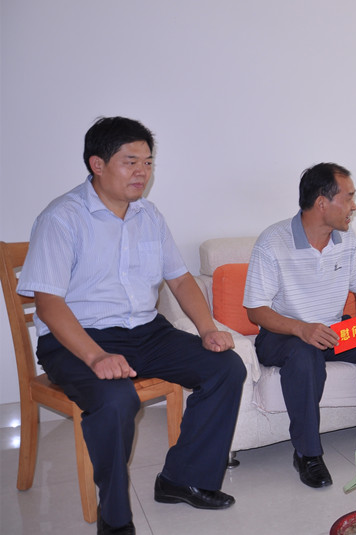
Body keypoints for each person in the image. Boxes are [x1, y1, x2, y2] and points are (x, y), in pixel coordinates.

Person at [17, 117, 246, 535]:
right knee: (115, 398)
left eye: (148, 162)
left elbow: (180, 279)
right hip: (77, 339)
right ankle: (115, 517)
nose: (142, 172)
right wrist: (96, 356)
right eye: (130, 162)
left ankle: (182, 479)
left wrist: (207, 328)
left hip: (146, 331)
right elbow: (48, 305)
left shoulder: (148, 215)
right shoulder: (62, 217)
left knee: (226, 367)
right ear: (97, 164)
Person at [243, 163, 356, 489]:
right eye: (349, 198)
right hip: (284, 335)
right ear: (322, 203)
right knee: (305, 354)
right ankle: (308, 453)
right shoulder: (273, 241)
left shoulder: (347, 238)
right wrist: (302, 329)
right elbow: (256, 310)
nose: (354, 206)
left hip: (333, 331)